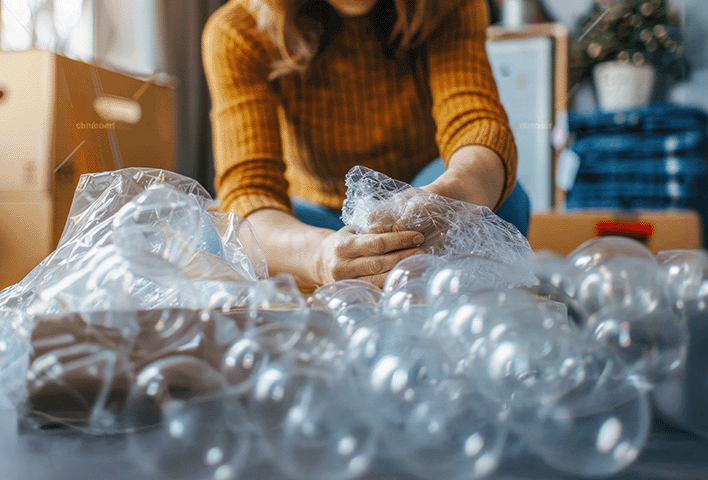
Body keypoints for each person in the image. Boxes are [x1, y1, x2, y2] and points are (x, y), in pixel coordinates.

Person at [202, 0, 522, 289]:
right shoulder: (237, 29)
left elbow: (475, 123)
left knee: (501, 199)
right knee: (218, 234)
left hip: (426, 193)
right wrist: (320, 257)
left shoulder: (448, 6)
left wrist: (454, 196)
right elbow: (247, 191)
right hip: (317, 220)